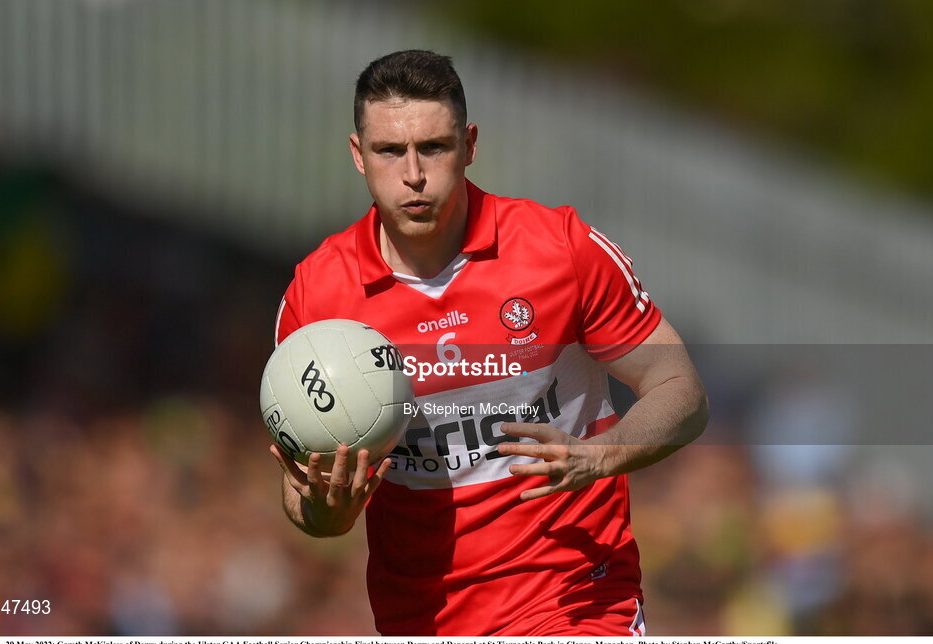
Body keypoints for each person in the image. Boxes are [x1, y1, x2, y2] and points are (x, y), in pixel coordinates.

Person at [269, 49, 709, 636]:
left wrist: (601, 455)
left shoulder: (561, 250)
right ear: (358, 155)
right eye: (389, 151)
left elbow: (681, 390)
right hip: (420, 617)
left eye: (434, 147)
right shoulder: (317, 295)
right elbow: (304, 501)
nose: (414, 174)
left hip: (575, 600)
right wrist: (327, 511)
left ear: (470, 144)